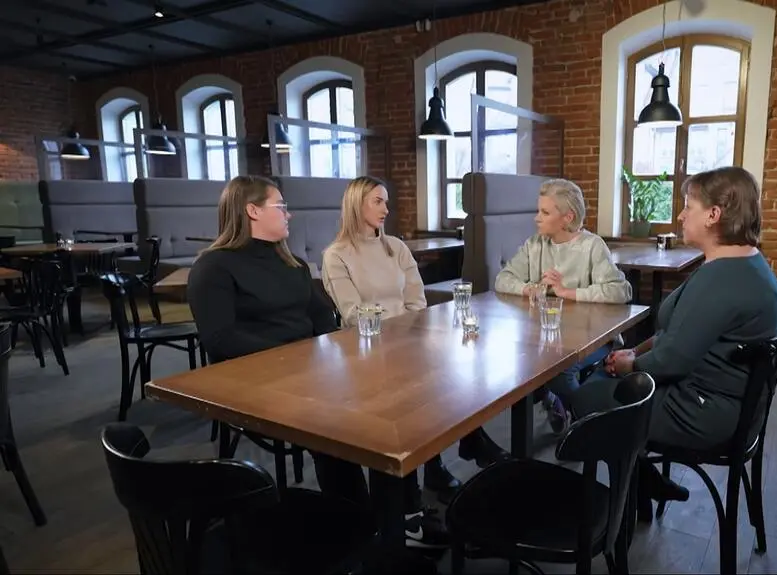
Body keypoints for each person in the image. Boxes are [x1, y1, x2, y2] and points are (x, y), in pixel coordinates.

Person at [186, 175, 447, 551]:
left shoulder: (289, 262)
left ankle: (399, 518)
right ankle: (366, 531)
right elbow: (220, 339)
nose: (288, 214)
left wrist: (329, 356)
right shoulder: (213, 267)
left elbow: (321, 314)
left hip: (310, 373)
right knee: (347, 427)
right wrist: (299, 357)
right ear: (252, 211)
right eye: (281, 206)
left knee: (390, 402)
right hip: (256, 381)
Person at [571, 166, 777, 505]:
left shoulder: (722, 279)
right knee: (609, 381)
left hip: (702, 413)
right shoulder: (744, 264)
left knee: (587, 397)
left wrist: (630, 365)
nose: (681, 216)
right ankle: (642, 483)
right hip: (729, 405)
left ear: (714, 215)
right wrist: (635, 354)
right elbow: (678, 335)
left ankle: (610, 508)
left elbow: (672, 360)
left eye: (688, 206)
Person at [319, 176, 508, 505]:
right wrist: (397, 328)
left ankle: (447, 457)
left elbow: (417, 300)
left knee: (448, 375)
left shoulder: (396, 246)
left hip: (407, 340)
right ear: (356, 204)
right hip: (367, 350)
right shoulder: (336, 255)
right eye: (378, 201)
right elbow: (353, 313)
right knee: (416, 387)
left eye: (386, 202)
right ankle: (446, 461)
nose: (386, 209)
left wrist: (405, 331)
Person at [494, 178, 631, 432]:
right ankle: (563, 406)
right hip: (544, 339)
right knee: (516, 362)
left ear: (568, 217)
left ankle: (585, 425)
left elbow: (621, 291)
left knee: (559, 373)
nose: (536, 218)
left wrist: (568, 292)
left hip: (594, 339)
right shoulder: (534, 244)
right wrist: (531, 288)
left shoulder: (592, 246)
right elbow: (503, 279)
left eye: (545, 212)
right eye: (538, 211)